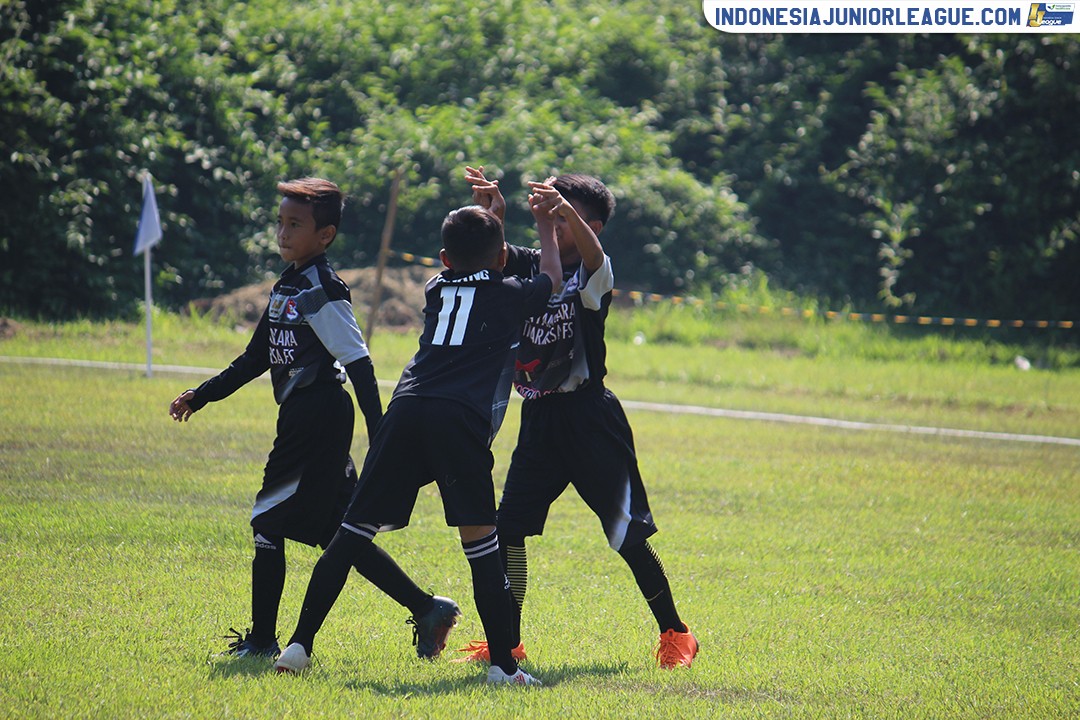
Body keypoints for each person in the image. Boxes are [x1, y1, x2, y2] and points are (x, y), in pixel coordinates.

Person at [272, 197, 561, 686]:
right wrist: (547, 229)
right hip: (458, 419)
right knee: (482, 547)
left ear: (444, 260)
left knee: (351, 533)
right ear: (500, 256)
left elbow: (482, 267)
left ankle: (298, 645)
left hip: (406, 409)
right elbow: (549, 276)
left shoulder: (435, 286)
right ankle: (503, 668)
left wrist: (492, 224)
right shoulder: (508, 292)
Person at [458, 167, 699, 669]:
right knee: (508, 530)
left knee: (625, 533)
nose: (554, 221)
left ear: (589, 223)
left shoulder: (594, 272)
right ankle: (508, 641)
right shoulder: (532, 265)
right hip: (540, 419)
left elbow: (593, 255)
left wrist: (563, 211)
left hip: (591, 418)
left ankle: (676, 633)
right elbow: (496, 258)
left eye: (566, 215)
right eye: (551, 211)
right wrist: (493, 213)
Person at [169, 177, 383, 658]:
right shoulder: (287, 283)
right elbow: (255, 358)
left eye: (295, 225)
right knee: (335, 529)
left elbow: (359, 362)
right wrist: (200, 396)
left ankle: (263, 640)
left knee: (267, 520)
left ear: (324, 235)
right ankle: (429, 608)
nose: (283, 233)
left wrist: (380, 431)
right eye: (280, 222)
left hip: (320, 414)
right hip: (302, 416)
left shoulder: (322, 287)